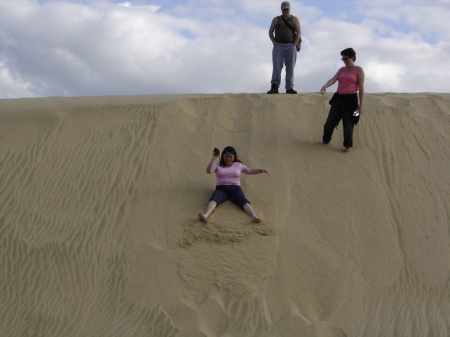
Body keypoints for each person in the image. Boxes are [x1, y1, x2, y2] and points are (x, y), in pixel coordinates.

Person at [198, 146, 270, 223]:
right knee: (214, 199)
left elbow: (250, 171)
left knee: (243, 201)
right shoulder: (218, 164)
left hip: (235, 189)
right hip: (221, 189)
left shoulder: (238, 165)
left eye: (231, 157)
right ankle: (205, 215)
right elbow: (209, 171)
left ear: (234, 157)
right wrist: (213, 159)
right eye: (226, 156)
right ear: (223, 156)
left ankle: (254, 216)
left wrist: (261, 170)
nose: (228, 159)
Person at [320, 48, 365, 152]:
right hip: (338, 98)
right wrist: (326, 85)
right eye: (342, 58)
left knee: (348, 125)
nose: (344, 60)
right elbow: (334, 79)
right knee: (329, 123)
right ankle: (326, 140)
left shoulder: (358, 70)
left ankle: (347, 146)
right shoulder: (341, 69)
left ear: (352, 58)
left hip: (351, 101)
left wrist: (361, 105)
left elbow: (361, 87)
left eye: (346, 58)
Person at [267, 1, 301, 95]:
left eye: (287, 9)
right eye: (284, 9)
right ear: (281, 9)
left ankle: (289, 87)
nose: (286, 11)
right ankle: (275, 86)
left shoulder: (294, 19)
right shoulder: (276, 19)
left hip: (291, 45)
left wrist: (294, 43)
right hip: (279, 45)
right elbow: (270, 31)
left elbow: (298, 32)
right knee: (277, 67)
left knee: (290, 67)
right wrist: (274, 42)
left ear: (289, 9)